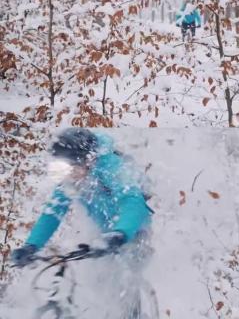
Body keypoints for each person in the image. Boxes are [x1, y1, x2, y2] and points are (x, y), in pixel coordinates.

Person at [11, 128, 153, 316]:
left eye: (69, 168)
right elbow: (53, 213)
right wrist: (31, 246)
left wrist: (121, 233)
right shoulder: (70, 180)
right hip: (106, 233)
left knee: (124, 280)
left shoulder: (112, 167)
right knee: (97, 282)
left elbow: (133, 202)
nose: (66, 174)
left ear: (87, 160)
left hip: (133, 231)